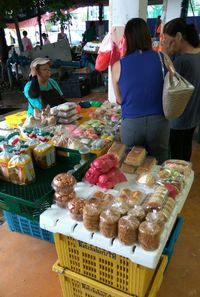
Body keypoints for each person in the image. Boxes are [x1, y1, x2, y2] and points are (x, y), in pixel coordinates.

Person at [112, 18, 173, 164]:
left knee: (131, 167)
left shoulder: (118, 65)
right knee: (159, 167)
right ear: (147, 36)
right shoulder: (162, 58)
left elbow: (120, 100)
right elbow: (170, 88)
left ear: (127, 38)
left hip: (131, 125)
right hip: (159, 123)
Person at [163, 18, 200, 161]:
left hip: (178, 119)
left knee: (176, 158)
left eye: (167, 40)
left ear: (178, 36)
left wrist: (166, 53)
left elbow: (167, 86)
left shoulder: (182, 61)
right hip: (194, 117)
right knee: (186, 151)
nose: (166, 44)